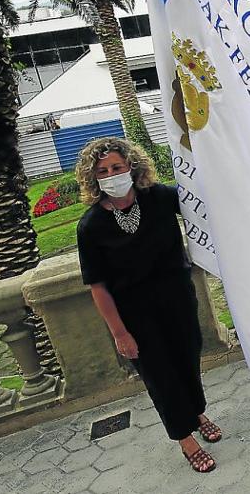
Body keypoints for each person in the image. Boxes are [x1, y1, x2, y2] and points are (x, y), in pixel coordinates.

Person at [74, 137, 221, 474]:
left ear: (131, 166)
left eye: (116, 167)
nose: (111, 174)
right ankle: (185, 438)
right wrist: (119, 333)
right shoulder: (91, 226)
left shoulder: (160, 198)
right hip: (136, 316)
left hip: (178, 301)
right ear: (93, 178)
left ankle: (196, 413)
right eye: (102, 171)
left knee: (186, 362)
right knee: (160, 377)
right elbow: (98, 286)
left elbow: (205, 207)